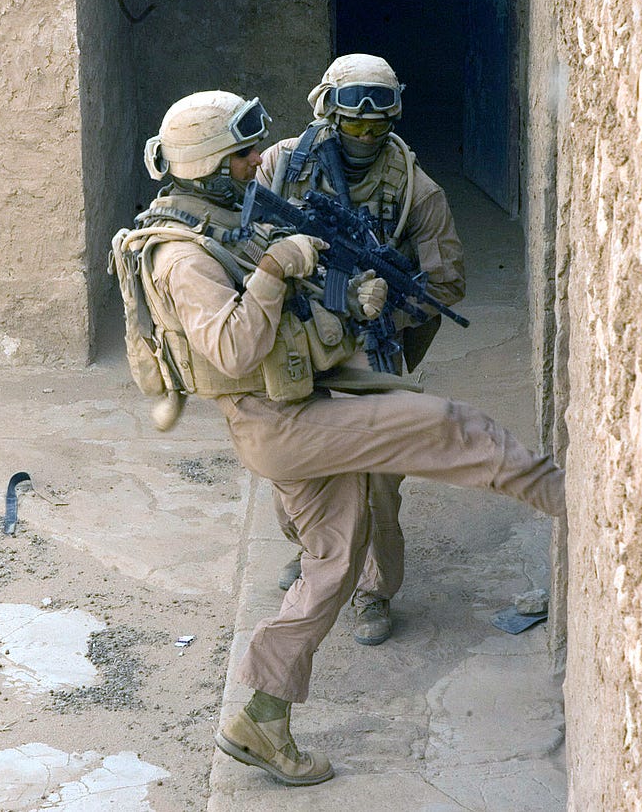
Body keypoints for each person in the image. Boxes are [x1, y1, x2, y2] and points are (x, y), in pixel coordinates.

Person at [129, 90, 563, 785]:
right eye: (242, 155)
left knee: (331, 563)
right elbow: (234, 350)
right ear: (209, 165)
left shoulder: (217, 218)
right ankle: (584, 507)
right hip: (281, 423)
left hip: (301, 400)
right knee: (447, 426)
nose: (254, 164)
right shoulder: (182, 256)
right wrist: (277, 270)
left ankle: (262, 719)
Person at [258, 54, 466, 645]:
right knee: (294, 458)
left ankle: (372, 590)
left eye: (379, 124)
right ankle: (315, 551)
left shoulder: (414, 191)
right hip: (297, 335)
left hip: (369, 345)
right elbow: (243, 239)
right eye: (354, 123)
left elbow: (446, 281)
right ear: (328, 112)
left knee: (376, 477)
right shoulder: (283, 165)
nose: (368, 135)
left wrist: (389, 304)